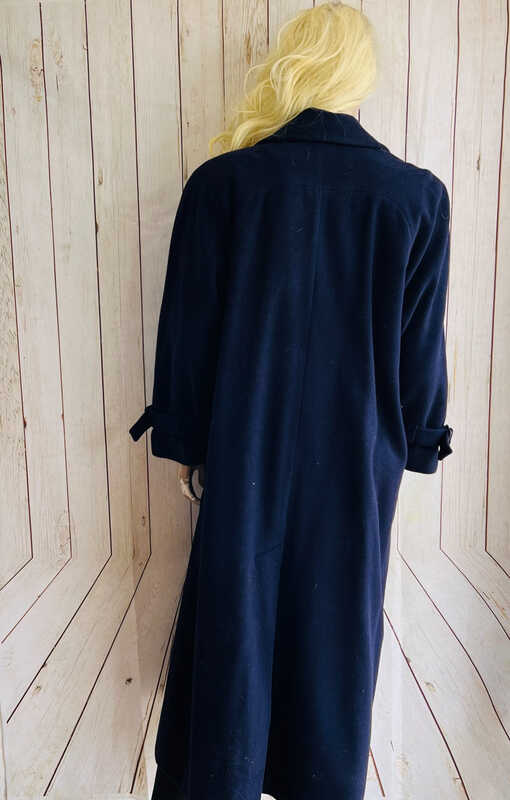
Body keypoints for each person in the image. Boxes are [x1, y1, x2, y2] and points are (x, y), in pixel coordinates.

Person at [129, 2, 453, 798]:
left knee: (234, 621)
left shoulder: (223, 185)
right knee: (336, 631)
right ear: (360, 76)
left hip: (244, 449)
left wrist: (188, 442)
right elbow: (418, 352)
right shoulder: (415, 198)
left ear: (291, 64)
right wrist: (415, 442)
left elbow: (188, 335)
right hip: (356, 463)